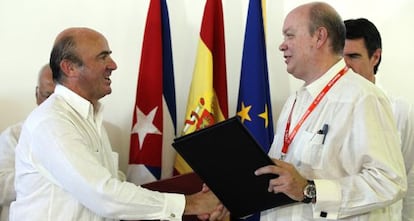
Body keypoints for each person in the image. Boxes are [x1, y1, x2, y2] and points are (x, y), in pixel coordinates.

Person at [9, 27, 220, 221]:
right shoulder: (52, 122)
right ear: (69, 67)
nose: (113, 65)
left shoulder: (89, 118)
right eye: (103, 57)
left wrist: (190, 196)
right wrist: (190, 204)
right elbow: (103, 194)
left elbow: (112, 190)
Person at [251, 2, 406, 220]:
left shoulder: (363, 97)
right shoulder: (294, 101)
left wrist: (310, 190)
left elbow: (389, 181)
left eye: (290, 35)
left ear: (319, 37)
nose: (282, 46)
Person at [344, 18, 414, 221]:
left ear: (375, 57)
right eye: (340, 57)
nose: (345, 65)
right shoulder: (325, 108)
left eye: (353, 56)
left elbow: (410, 177)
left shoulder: (399, 110)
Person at [0, 64, 56, 221]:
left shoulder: (91, 132)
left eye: (59, 97)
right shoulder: (14, 135)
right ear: (37, 94)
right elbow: (2, 186)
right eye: (47, 95)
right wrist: (56, 176)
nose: (53, 104)